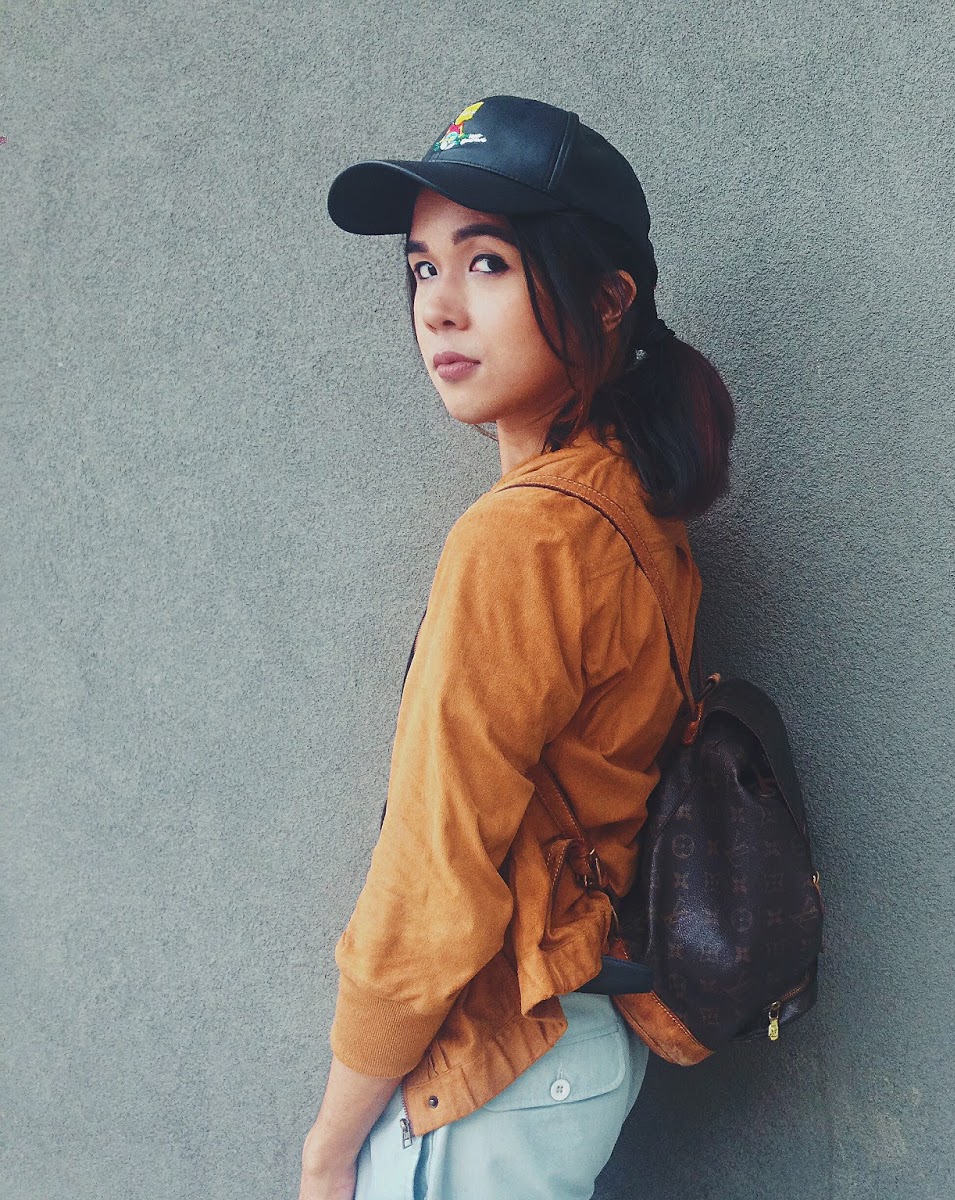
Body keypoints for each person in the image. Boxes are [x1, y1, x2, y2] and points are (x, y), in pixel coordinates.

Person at [298, 95, 735, 1200]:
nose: (438, 306)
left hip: (494, 1059)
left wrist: (329, 1146)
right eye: (421, 268)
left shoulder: (521, 539)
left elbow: (434, 880)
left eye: (486, 262)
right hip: (582, 1046)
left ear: (607, 297)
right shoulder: (633, 508)